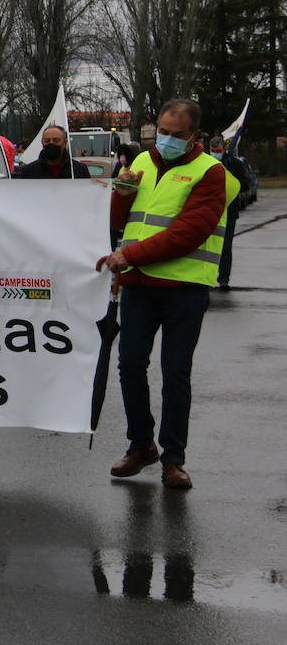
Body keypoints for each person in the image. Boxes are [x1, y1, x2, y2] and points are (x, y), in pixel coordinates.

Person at [99, 99, 238, 490]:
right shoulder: (141, 162)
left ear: (195, 135)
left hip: (184, 287)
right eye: (162, 131)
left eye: (177, 135)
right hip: (139, 285)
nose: (167, 139)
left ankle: (173, 458)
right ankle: (141, 445)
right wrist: (120, 196)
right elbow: (118, 222)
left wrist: (129, 255)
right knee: (129, 366)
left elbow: (189, 232)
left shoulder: (211, 172)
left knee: (176, 374)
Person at [207, 135, 248, 289]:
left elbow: (245, 184)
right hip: (209, 211)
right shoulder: (206, 162)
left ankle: (223, 278)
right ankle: (208, 278)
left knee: (225, 246)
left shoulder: (234, 164)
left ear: (224, 149)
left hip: (228, 211)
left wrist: (231, 183)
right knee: (208, 246)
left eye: (218, 151)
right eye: (212, 151)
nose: (215, 153)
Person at [17, 126, 91, 179]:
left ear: (65, 143)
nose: (51, 143)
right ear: (42, 143)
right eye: (47, 140)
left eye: (56, 140)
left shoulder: (79, 169)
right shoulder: (29, 171)